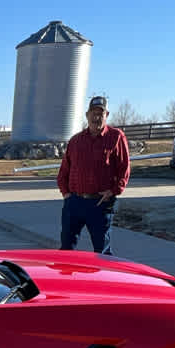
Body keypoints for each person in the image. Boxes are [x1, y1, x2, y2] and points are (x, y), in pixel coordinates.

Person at [57, 95, 131, 254]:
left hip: (100, 203)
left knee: (102, 252)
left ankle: (103, 279)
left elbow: (124, 168)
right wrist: (66, 194)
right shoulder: (76, 141)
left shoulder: (116, 137)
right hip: (74, 203)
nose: (96, 117)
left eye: (100, 113)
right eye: (93, 113)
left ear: (107, 115)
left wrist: (114, 191)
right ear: (87, 115)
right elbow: (64, 171)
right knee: (65, 250)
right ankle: (66, 278)